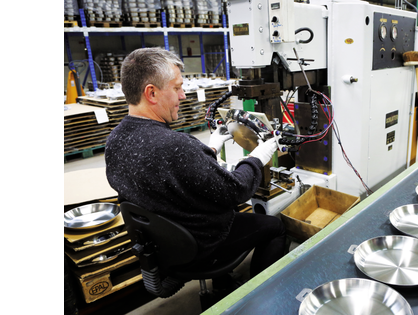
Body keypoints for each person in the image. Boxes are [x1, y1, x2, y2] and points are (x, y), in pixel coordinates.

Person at [104, 47, 286, 292]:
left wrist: (209, 150)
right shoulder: (177, 146)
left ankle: (223, 282)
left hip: (162, 245)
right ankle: (254, 298)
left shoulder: (115, 140)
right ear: (152, 93)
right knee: (275, 227)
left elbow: (169, 173)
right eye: (177, 88)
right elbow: (237, 190)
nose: (183, 96)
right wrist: (257, 157)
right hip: (203, 244)